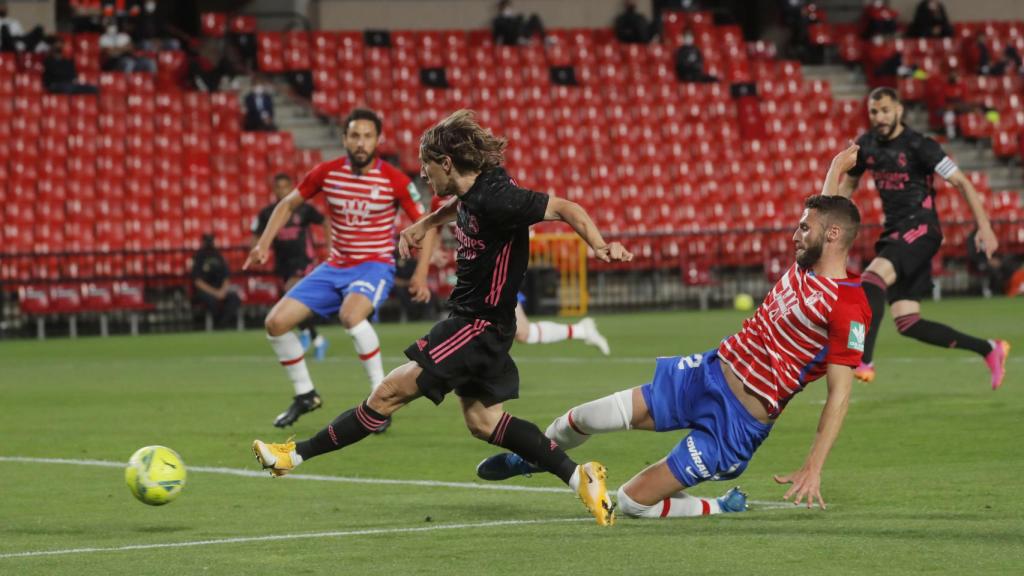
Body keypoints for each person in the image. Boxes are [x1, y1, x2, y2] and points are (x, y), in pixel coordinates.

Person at [252, 109, 633, 526]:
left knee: (388, 393)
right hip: (486, 326)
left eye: (427, 166)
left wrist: (599, 246)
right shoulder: (474, 191)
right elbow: (458, 205)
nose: (422, 174)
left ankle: (293, 456)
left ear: (446, 163)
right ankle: (580, 477)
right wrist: (424, 224)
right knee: (483, 421)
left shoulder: (499, 198)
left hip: (476, 325)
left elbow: (564, 207)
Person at [478, 147, 872, 517]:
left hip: (734, 426)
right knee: (580, 418)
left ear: (832, 236)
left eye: (804, 228)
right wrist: (837, 165)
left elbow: (839, 395)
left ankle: (719, 507)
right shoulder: (807, 264)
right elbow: (828, 212)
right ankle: (531, 458)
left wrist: (813, 466)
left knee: (630, 502)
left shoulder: (849, 307)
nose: (795, 235)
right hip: (705, 375)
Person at [245, 108, 432, 429]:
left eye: (367, 136)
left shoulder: (395, 179)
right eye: (355, 136)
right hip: (334, 266)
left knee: (351, 315)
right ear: (344, 138)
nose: (361, 143)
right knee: (275, 323)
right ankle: (305, 394)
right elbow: (287, 204)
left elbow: (426, 223)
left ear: (378, 140)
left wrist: (421, 274)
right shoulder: (326, 173)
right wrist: (263, 244)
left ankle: (380, 401)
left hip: (374, 265)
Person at [836, 87, 1010, 388]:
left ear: (899, 110)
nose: (880, 117)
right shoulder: (866, 145)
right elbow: (848, 184)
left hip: (922, 229)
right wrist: (834, 219)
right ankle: (990, 349)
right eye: (874, 111)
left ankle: (864, 359)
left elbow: (961, 182)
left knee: (871, 280)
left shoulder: (921, 146)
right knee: (908, 322)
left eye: (885, 110)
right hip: (896, 233)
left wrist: (985, 227)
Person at [426, 194, 611, 354]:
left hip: (496, 276)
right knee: (509, 332)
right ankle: (581, 330)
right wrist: (434, 251)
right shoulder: (440, 201)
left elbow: (523, 219)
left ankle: (581, 330)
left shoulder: (488, 193)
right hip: (477, 278)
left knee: (517, 332)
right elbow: (434, 227)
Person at [252, 173, 329, 360]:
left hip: (304, 261)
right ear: (274, 189)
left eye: (285, 187)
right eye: (278, 187)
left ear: (291, 187)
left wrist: (330, 246)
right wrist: (259, 250)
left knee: (291, 293)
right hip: (283, 264)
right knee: (293, 302)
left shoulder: (303, 209)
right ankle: (314, 337)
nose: (282, 191)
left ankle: (309, 336)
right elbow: (257, 235)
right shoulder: (268, 213)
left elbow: (325, 221)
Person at [192, 233, 241, 328]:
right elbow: (198, 281)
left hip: (220, 289)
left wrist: (222, 291)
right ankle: (217, 323)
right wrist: (215, 293)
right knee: (211, 301)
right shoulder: (198, 257)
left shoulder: (219, 256)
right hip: (206, 291)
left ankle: (223, 323)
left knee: (234, 298)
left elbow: (226, 277)